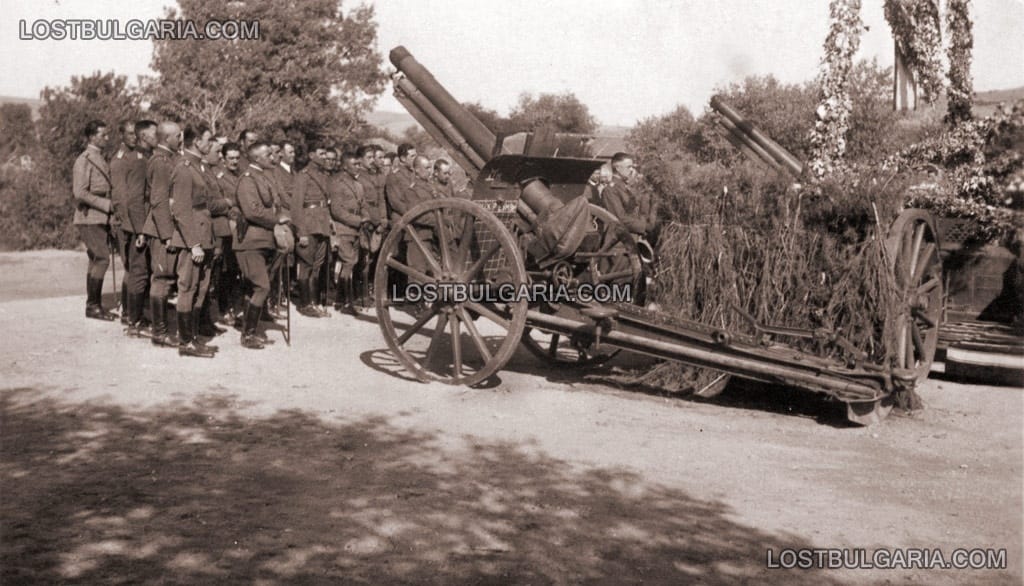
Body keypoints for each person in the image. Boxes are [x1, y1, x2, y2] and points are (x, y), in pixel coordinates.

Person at [166, 125, 219, 358]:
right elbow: (181, 210)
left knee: (199, 288)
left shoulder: (198, 165)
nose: (210, 144)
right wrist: (193, 243)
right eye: (208, 140)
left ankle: (193, 338)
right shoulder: (184, 168)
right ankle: (185, 341)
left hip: (203, 233)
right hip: (192, 237)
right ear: (196, 142)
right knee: (187, 288)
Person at [234, 142, 289, 349]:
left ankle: (251, 330)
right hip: (250, 241)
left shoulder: (265, 176)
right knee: (262, 286)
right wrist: (277, 220)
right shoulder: (247, 180)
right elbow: (252, 211)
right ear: (256, 158)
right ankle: (247, 335)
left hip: (264, 241)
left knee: (254, 287)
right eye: (267, 154)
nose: (272, 157)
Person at [111, 119, 155, 336]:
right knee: (138, 272)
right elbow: (133, 199)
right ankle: (133, 320)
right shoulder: (138, 161)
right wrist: (140, 230)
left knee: (140, 271)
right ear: (144, 137)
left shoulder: (144, 157)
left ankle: (134, 315)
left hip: (140, 223)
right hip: (136, 224)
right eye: (154, 134)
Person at [141, 121, 182, 347]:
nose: (181, 140)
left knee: (167, 278)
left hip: (165, 227)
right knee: (162, 279)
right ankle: (160, 332)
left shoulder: (169, 160)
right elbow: (158, 201)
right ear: (167, 139)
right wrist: (167, 235)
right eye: (178, 136)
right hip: (160, 229)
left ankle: (163, 329)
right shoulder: (160, 163)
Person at [72, 120, 117, 321]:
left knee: (95, 259)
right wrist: (106, 205)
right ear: (92, 137)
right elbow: (79, 193)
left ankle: (93, 304)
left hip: (99, 218)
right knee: (102, 258)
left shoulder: (99, 157)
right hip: (88, 217)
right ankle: (93, 305)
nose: (107, 138)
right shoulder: (84, 160)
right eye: (103, 134)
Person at [292, 143, 334, 318]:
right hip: (308, 224)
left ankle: (314, 302)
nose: (325, 156)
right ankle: (305, 303)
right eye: (321, 152)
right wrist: (301, 232)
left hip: (322, 223)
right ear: (311, 155)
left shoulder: (323, 175)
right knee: (305, 265)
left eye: (325, 153)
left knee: (317, 265)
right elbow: (296, 207)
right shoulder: (303, 176)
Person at [329, 151, 371, 315]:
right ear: (345, 167)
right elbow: (337, 211)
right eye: (355, 164)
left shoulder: (358, 185)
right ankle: (346, 302)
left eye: (359, 164)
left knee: (351, 263)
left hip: (356, 230)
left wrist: (366, 217)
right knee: (349, 262)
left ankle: (341, 299)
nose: (358, 167)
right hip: (343, 229)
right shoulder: (337, 184)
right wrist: (357, 220)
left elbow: (363, 205)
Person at [213, 142, 245, 326]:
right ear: (223, 159)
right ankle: (223, 310)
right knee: (225, 271)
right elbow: (221, 203)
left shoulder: (241, 175)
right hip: (226, 228)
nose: (234, 161)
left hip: (241, 227)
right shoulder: (219, 177)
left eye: (237, 158)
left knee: (235, 271)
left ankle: (234, 308)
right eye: (231, 158)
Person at [602, 152, 650, 238]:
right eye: (629, 167)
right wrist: (645, 227)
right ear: (617, 168)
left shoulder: (626, 187)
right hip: (618, 242)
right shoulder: (610, 190)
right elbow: (619, 218)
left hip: (632, 236)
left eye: (632, 167)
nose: (632, 170)